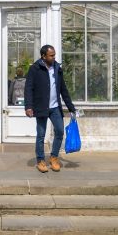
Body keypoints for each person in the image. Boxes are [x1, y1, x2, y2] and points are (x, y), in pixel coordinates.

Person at [24, 44, 76, 173]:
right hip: (41, 107)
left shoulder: (57, 68)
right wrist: (28, 106)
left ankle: (53, 158)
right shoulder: (35, 69)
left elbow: (63, 89)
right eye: (51, 55)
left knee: (59, 131)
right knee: (41, 135)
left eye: (54, 55)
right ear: (43, 56)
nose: (54, 57)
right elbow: (28, 88)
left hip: (55, 107)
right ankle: (41, 160)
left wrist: (71, 107)